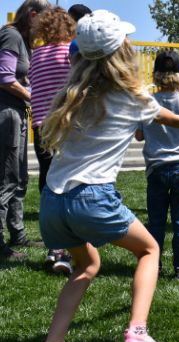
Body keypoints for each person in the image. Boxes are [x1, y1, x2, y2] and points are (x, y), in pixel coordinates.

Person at [38, 10, 179, 342]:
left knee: (88, 264)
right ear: (122, 48)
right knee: (150, 249)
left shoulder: (72, 92)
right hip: (92, 197)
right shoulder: (133, 95)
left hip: (51, 202)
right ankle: (137, 334)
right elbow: (172, 119)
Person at [134, 50, 179, 279]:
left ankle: (153, 266)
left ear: (156, 75)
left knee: (155, 222)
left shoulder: (148, 103)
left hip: (156, 168)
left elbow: (138, 135)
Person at [0, 0, 51, 260]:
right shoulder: (10, 35)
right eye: (46, 18)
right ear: (33, 15)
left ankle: (18, 234)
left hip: (17, 114)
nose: (49, 25)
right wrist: (36, 97)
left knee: (19, 177)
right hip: (6, 114)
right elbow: (5, 77)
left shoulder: (25, 42)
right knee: (6, 180)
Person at [29, 6, 75, 274]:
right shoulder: (70, 53)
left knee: (49, 187)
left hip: (41, 129)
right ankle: (66, 251)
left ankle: (52, 246)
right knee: (68, 188)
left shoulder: (36, 55)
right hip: (66, 129)